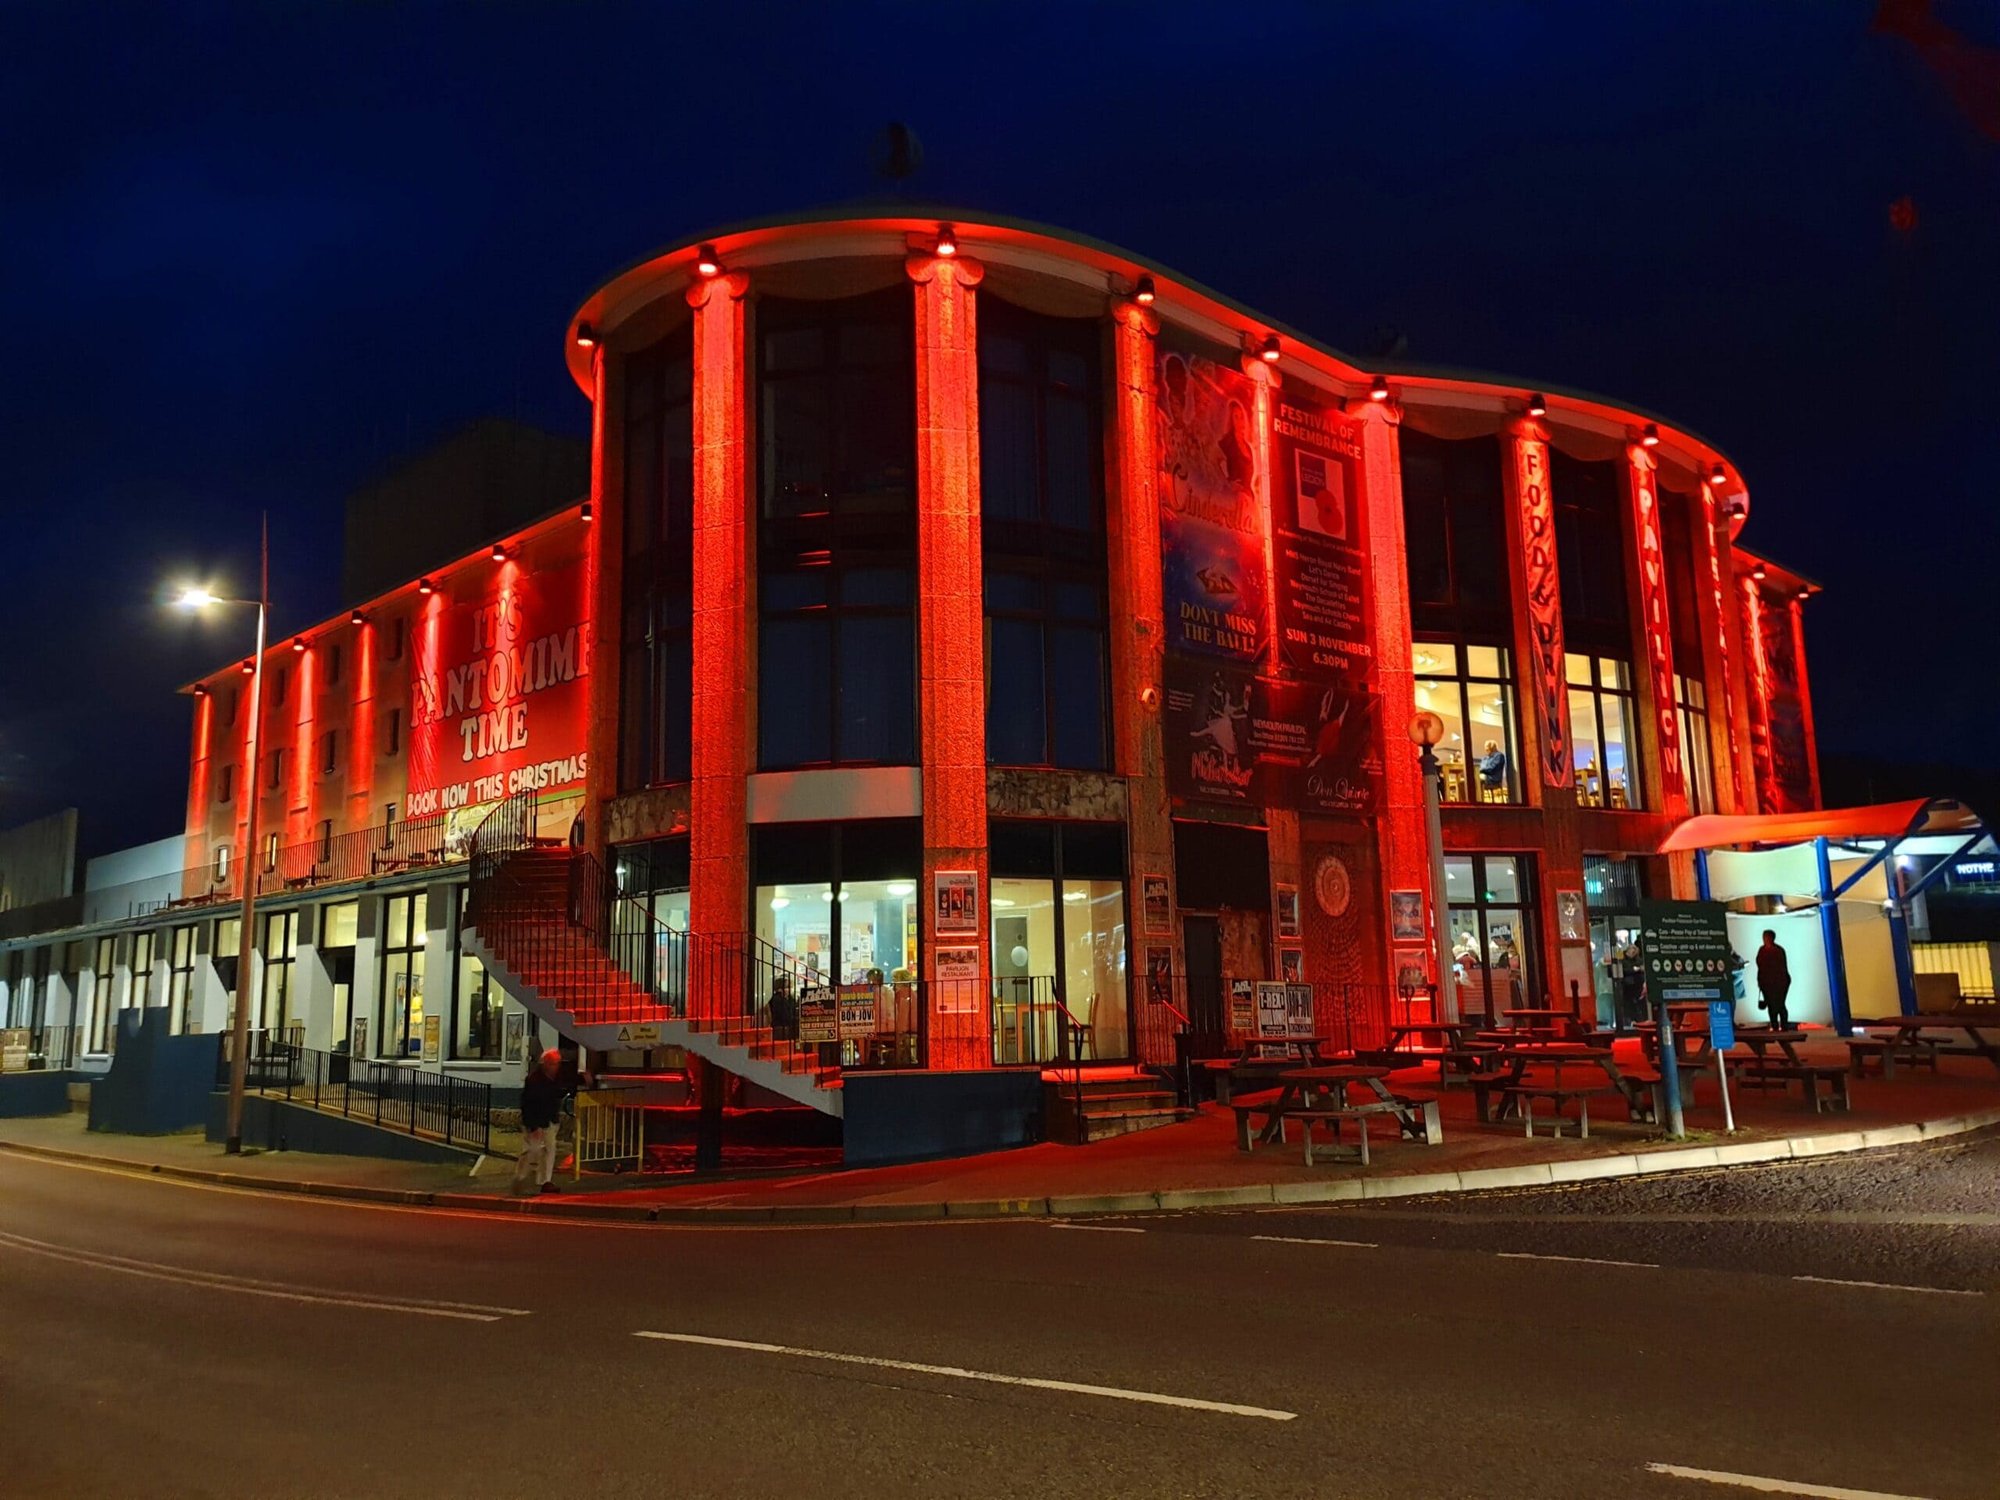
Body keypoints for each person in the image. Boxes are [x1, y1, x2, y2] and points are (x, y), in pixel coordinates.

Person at [514, 1048, 567, 1196]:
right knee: (531, 1151)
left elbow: (558, 1093)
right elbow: (527, 1104)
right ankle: (520, 1176)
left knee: (549, 1150)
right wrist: (533, 1126)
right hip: (536, 1122)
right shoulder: (534, 1080)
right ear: (545, 1064)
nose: (555, 1067)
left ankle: (545, 1181)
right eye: (552, 1063)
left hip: (549, 1120)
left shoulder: (555, 1078)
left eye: (557, 1064)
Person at [1755, 929, 1792, 1029]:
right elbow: (1760, 966)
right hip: (1767, 983)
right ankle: (1775, 1026)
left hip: (1778, 983)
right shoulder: (1763, 950)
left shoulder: (1777, 951)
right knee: (1771, 1006)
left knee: (1779, 1004)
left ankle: (1784, 1026)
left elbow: (1780, 968)